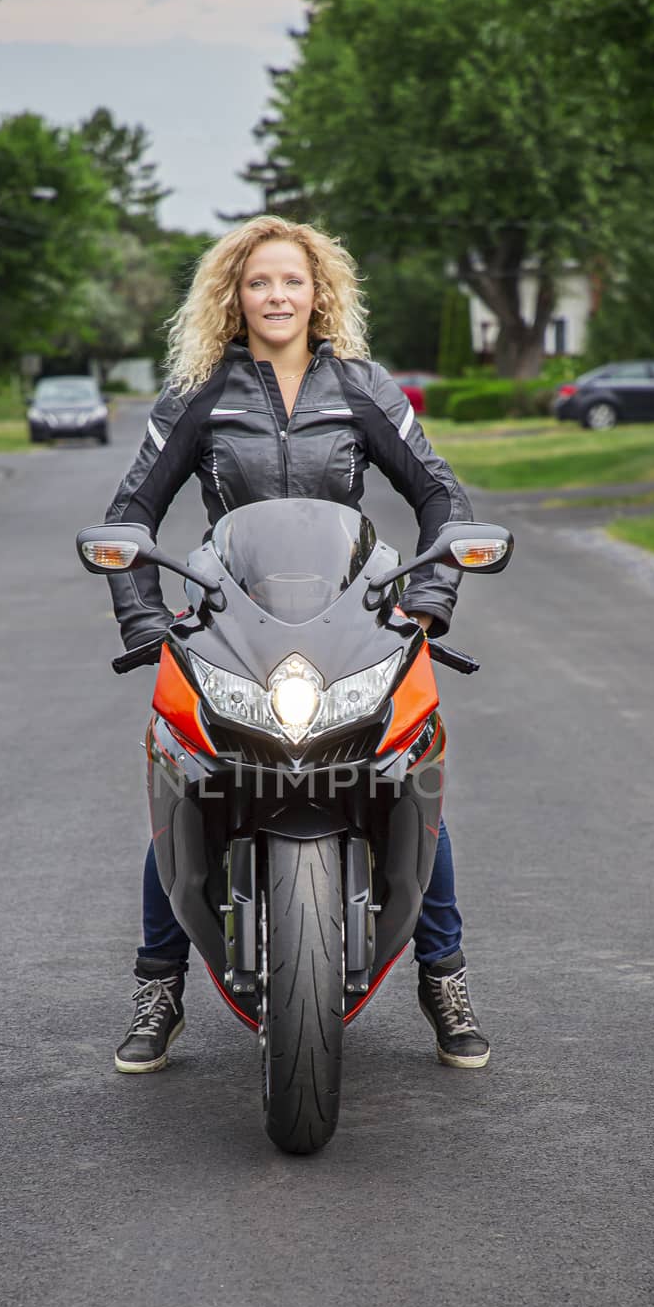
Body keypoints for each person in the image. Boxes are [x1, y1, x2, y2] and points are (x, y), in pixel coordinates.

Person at [102, 216, 491, 1076]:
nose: (276, 296)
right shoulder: (200, 392)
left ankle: (444, 976)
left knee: (407, 774)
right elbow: (131, 515)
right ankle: (158, 986)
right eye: (258, 283)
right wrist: (144, 620)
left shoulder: (360, 386)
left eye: (291, 281)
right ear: (232, 298)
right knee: (186, 779)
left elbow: (441, 498)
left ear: (320, 294)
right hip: (230, 622)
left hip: (352, 617)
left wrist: (427, 599)